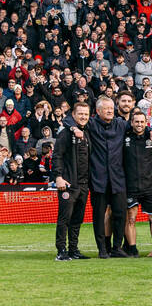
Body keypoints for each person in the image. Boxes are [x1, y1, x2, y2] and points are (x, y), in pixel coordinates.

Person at [86, 96, 129, 258]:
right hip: (98, 179)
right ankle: (102, 248)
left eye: (112, 108)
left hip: (118, 179)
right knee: (98, 216)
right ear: (98, 111)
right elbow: (70, 118)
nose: (110, 111)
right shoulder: (90, 124)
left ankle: (117, 247)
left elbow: (139, 126)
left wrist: (151, 131)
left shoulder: (121, 124)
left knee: (120, 214)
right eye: (106, 108)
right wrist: (73, 128)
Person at [123, 111, 152, 257]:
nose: (139, 124)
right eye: (137, 122)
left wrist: (151, 131)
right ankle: (133, 249)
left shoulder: (151, 138)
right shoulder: (125, 137)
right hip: (131, 186)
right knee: (131, 219)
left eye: (142, 122)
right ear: (132, 122)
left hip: (150, 186)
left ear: (146, 123)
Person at [53, 102, 92, 261]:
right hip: (68, 184)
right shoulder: (65, 133)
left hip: (83, 184)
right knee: (64, 218)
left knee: (77, 219)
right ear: (74, 115)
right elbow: (57, 156)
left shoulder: (87, 133)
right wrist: (58, 176)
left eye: (86, 114)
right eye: (80, 114)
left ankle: (73, 250)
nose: (83, 117)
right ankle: (61, 251)